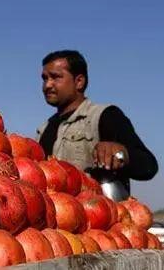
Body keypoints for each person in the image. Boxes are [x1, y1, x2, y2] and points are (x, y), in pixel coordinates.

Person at [36, 50, 158, 195]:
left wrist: (121, 154)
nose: (47, 85)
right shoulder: (44, 130)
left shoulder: (105, 115)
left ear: (79, 81)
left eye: (56, 77)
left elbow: (148, 165)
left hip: (100, 213)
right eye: (44, 78)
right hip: (59, 214)